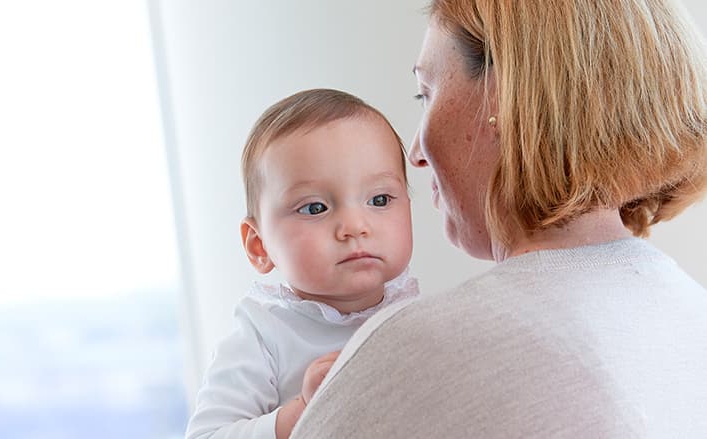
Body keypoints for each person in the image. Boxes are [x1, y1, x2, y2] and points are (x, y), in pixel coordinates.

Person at [292, 1, 707, 437]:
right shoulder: (692, 317)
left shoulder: (427, 348)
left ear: (505, 98)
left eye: (426, 93)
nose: (414, 153)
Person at [185, 88, 419, 439]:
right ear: (259, 245)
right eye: (315, 208)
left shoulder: (415, 314)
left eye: (380, 199)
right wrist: (303, 412)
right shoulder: (264, 334)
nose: (355, 226)